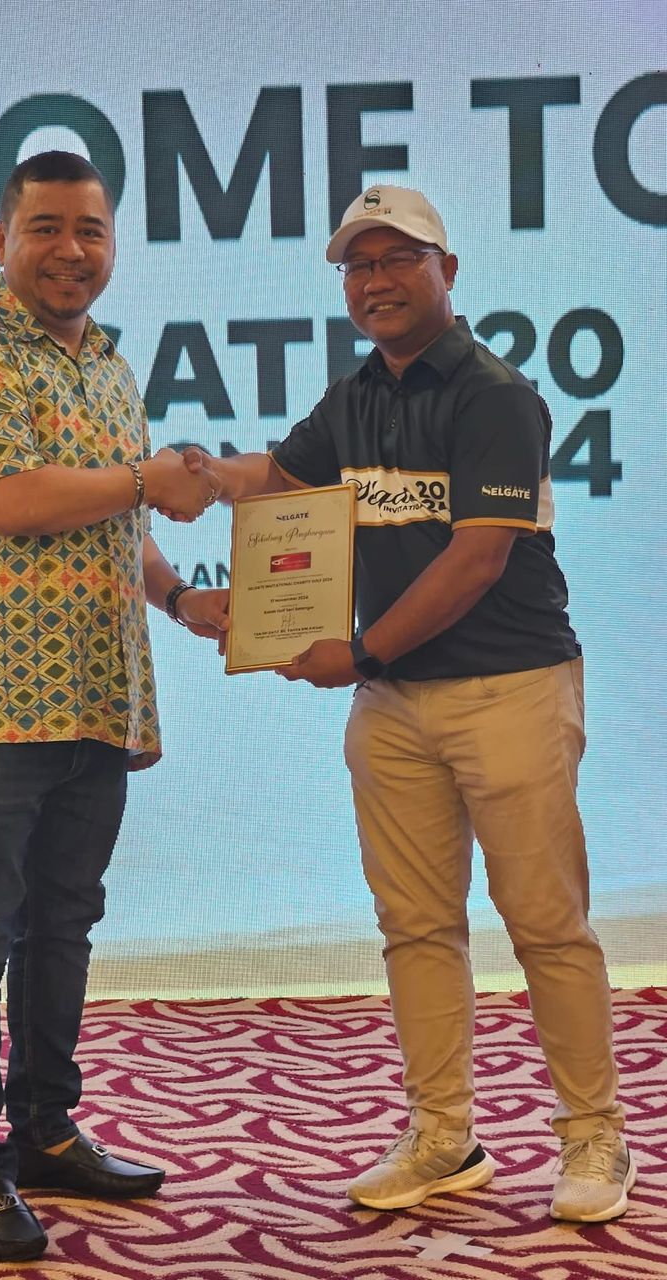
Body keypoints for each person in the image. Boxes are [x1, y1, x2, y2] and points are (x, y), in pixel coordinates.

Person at [184, 185, 632, 1223]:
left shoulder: (495, 395)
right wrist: (196, 475)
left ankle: (594, 1136)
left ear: (448, 270)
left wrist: (361, 651)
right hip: (394, 706)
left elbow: (478, 559)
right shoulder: (354, 398)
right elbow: (280, 483)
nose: (376, 280)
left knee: (546, 924)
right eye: (358, 265)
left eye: (397, 259)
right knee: (417, 927)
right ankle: (443, 1136)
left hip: (508, 689)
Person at [0, 150, 228, 1263]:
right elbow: (12, 500)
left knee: (64, 926)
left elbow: (115, 521)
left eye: (89, 229)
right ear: (3, 238)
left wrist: (179, 596)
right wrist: (147, 478)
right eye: (45, 227)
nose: (70, 250)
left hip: (96, 694)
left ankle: (45, 1130)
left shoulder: (110, 368)